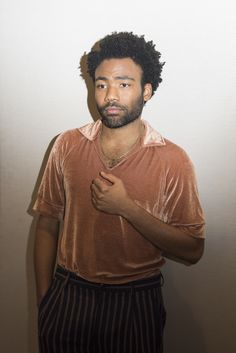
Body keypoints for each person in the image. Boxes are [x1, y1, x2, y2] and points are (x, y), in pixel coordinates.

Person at [33, 32, 205, 353]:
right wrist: (47, 303)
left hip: (136, 301)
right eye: (102, 84)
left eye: (124, 84)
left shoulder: (173, 159)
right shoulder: (66, 145)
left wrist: (127, 208)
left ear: (147, 91)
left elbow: (193, 250)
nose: (110, 95)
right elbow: (46, 225)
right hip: (69, 296)